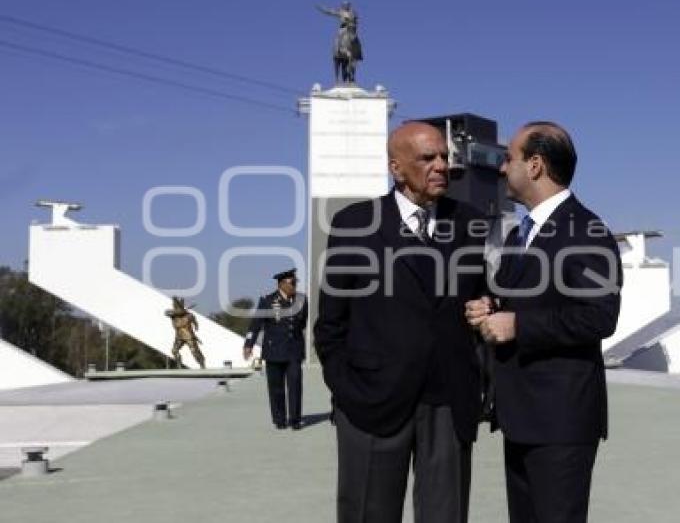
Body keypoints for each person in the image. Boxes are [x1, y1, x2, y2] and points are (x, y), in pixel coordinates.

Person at [314, 122, 487, 523]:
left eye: (444, 156)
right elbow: (330, 324)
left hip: (448, 402)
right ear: (397, 168)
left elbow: (481, 296)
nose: (442, 165)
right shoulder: (354, 224)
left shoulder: (470, 223)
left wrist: (488, 307)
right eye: (428, 158)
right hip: (371, 404)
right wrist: (347, 388)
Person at [465, 122, 622, 523]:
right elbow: (532, 297)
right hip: (521, 418)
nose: (502, 169)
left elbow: (600, 315)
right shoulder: (522, 232)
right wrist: (491, 304)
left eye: (508, 159)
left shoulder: (587, 230)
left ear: (534, 165)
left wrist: (518, 325)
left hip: (560, 423)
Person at [244, 269, 308, 430]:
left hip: (294, 350)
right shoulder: (267, 300)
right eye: (291, 282)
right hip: (274, 351)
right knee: (276, 388)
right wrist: (248, 344)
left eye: (295, 282)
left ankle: (295, 419)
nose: (294, 285)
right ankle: (279, 419)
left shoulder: (301, 299)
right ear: (281, 284)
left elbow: (303, 323)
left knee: (295, 385)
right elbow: (255, 324)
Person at [165, 297, 205, 369]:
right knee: (174, 351)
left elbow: (196, 325)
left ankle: (202, 365)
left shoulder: (189, 315)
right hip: (179, 337)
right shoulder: (173, 316)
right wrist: (179, 312)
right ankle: (179, 365)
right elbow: (166, 312)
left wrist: (184, 312)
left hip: (188, 336)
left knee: (195, 352)